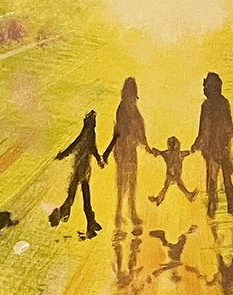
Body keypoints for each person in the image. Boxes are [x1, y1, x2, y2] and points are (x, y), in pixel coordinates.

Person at [102, 76, 150, 230]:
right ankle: (119, 213)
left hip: (129, 149)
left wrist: (144, 143)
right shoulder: (123, 108)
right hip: (123, 150)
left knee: (131, 182)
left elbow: (140, 127)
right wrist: (140, 141)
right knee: (123, 183)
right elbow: (126, 130)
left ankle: (131, 212)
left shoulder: (131, 107)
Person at [49, 108, 105, 238]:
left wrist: (64, 154)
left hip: (80, 168)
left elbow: (79, 145)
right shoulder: (89, 132)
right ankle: (88, 222)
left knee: (75, 195)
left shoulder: (87, 132)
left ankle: (67, 215)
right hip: (83, 169)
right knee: (84, 198)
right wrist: (98, 159)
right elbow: (88, 146)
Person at [193, 71, 233, 216]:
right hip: (223, 145)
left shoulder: (207, 105)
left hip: (212, 146)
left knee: (212, 176)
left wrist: (198, 143)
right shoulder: (224, 103)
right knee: (225, 175)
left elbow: (204, 128)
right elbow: (228, 125)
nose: (204, 89)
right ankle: (230, 202)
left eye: (206, 87)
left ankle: (213, 204)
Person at [147, 136, 196, 204]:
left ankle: (158, 199)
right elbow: (188, 152)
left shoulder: (167, 154)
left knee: (168, 187)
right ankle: (189, 196)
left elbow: (158, 152)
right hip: (174, 174)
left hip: (171, 174)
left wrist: (154, 150)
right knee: (177, 186)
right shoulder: (178, 154)